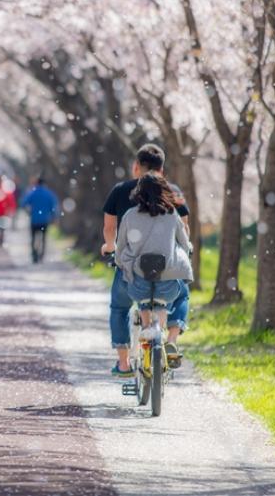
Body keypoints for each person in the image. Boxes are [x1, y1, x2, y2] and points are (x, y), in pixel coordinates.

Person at [102, 143, 190, 378]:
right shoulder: (172, 194)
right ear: (163, 169)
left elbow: (111, 230)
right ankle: (170, 339)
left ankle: (123, 363)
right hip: (165, 270)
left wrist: (110, 250)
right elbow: (185, 231)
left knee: (119, 306)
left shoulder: (122, 193)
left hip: (133, 270)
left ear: (136, 167)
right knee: (181, 292)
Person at [115, 174, 193, 345]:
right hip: (167, 279)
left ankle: (145, 331)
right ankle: (167, 341)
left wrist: (121, 262)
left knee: (143, 296)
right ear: (164, 192)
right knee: (164, 301)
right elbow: (185, 245)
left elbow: (120, 246)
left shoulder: (130, 215)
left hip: (138, 281)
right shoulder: (172, 214)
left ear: (138, 193)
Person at [21, 177, 58, 263]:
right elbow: (54, 206)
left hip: (34, 220)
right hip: (45, 220)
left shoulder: (33, 193)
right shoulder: (49, 194)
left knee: (33, 238)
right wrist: (54, 217)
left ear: (37, 183)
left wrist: (28, 212)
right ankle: (42, 255)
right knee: (44, 238)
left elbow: (23, 203)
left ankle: (34, 255)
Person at [0, 175, 17, 246]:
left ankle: (0, 241)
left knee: (2, 229)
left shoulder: (6, 192)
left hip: (3, 214)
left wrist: (11, 210)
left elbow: (11, 202)